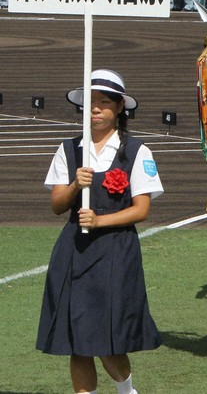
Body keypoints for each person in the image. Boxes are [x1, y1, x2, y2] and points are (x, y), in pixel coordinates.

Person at [37, 70, 163, 394]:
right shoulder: (69, 149)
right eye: (90, 103)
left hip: (117, 252)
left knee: (108, 341)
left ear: (119, 107)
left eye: (104, 102)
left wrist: (100, 221)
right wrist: (74, 185)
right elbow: (56, 204)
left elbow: (142, 209)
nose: (95, 109)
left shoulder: (136, 151)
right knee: (77, 341)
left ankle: (127, 390)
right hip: (74, 250)